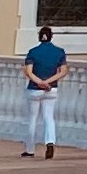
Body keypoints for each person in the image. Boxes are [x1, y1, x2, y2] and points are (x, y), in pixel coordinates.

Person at [22, 23, 67, 159]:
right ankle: (50, 142)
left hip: (34, 89)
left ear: (40, 37)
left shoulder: (33, 52)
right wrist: (48, 82)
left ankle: (30, 149)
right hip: (51, 89)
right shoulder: (59, 52)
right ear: (51, 37)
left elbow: (29, 72)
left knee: (33, 118)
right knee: (49, 117)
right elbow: (63, 71)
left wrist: (40, 82)